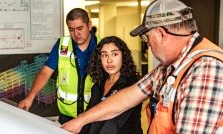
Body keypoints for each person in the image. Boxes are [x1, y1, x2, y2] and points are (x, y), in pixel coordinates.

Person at [61, 0, 223, 133]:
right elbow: (126, 98)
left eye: (146, 38)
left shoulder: (205, 69)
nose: (148, 46)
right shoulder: (169, 68)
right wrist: (80, 121)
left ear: (160, 33)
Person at [18, 8, 101, 124]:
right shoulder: (63, 45)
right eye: (71, 30)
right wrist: (30, 97)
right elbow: (45, 72)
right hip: (67, 116)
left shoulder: (103, 46)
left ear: (89, 25)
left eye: (80, 28)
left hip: (94, 116)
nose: (76, 34)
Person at [80, 36, 142, 134]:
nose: (109, 60)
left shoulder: (133, 83)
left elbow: (114, 123)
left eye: (114, 54)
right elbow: (89, 116)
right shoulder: (98, 83)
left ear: (123, 56)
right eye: (104, 55)